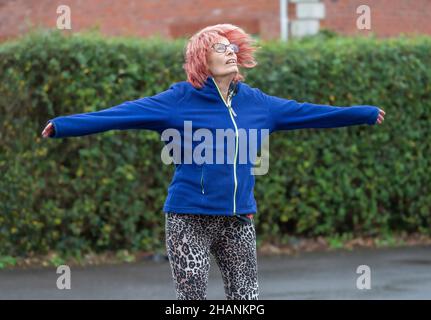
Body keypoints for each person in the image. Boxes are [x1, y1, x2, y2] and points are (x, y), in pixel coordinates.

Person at [41, 23, 386, 300]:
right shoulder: (178, 100)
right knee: (191, 301)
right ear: (201, 59)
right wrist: (64, 125)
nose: (230, 52)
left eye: (232, 47)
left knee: (246, 299)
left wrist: (364, 114)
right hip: (189, 218)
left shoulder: (257, 103)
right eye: (220, 47)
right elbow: (120, 115)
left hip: (237, 219)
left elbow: (308, 113)